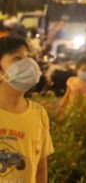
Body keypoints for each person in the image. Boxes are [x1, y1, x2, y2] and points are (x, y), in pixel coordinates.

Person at [0, 36, 53, 183]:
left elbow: (41, 167)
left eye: (28, 57)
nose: (27, 63)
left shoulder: (39, 114)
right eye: (17, 59)